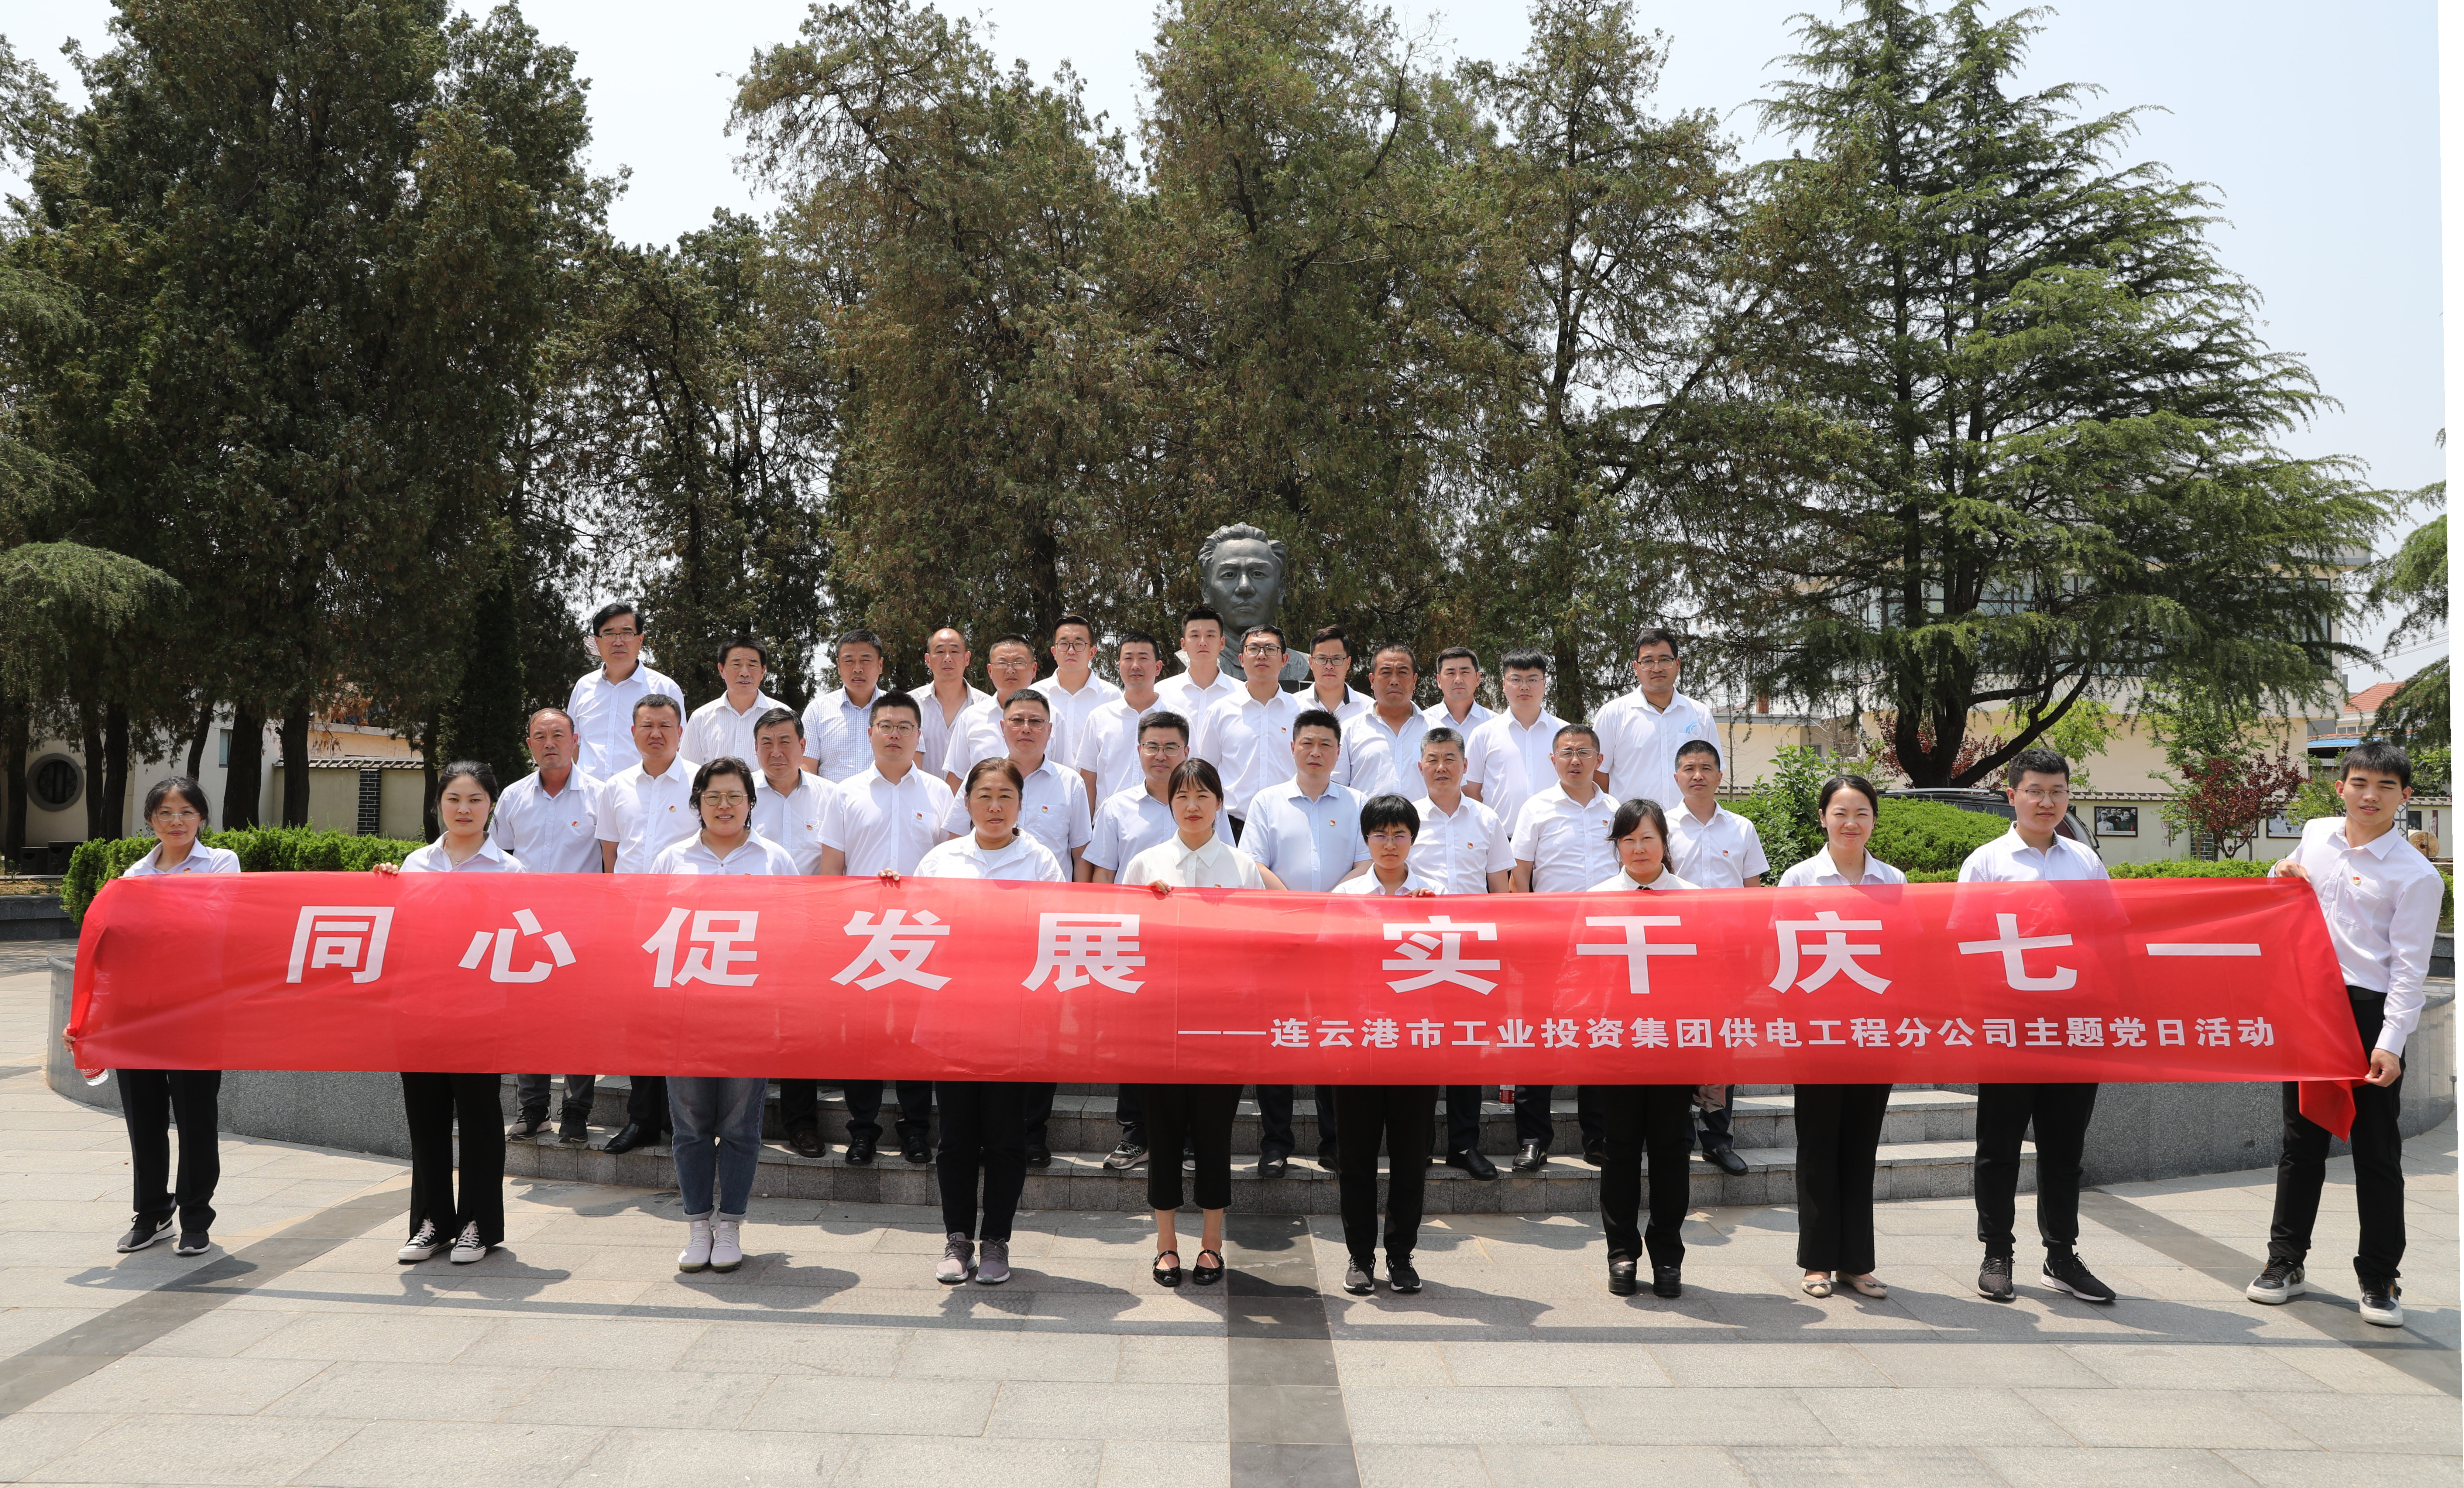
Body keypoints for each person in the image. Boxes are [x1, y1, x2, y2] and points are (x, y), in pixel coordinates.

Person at [2251, 741, 2439, 1328]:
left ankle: (2379, 1276)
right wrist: (2279, 871)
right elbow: (2279, 885)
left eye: (2385, 786)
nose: (2369, 795)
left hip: (2367, 1012)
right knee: (2299, 1139)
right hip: (2309, 1005)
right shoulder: (2315, 834)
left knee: (2375, 1149)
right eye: (2359, 782)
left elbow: (2409, 970)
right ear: (2340, 787)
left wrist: (2390, 1041)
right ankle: (2285, 1261)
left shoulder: (2415, 874)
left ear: (2405, 796)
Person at [1957, 747, 2118, 1306]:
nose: (2045, 802)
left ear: (2067, 796)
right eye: (2034, 791)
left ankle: (2061, 1255)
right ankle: (1996, 1252)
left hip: (2073, 1025)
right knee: (1998, 1146)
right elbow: (1962, 941)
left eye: (2056, 791)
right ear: (2012, 796)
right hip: (2008, 1024)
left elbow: (2109, 934)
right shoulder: (1986, 863)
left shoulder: (2085, 862)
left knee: (2063, 1148)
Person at [1122, 760, 1287, 1287]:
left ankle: (1212, 1244)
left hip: (1222, 1022)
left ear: (1219, 803)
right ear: (1169, 802)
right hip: (1159, 1020)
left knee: (1215, 1134)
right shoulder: (1144, 864)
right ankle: (1165, 1244)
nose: (1192, 806)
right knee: (1163, 1133)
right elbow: (1121, 940)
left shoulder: (1242, 868)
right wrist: (1149, 911)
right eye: (1182, 796)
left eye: (1203, 795)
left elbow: (1264, 938)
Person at [913, 758, 1067, 1285]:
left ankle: (997, 1240)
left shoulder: (1040, 861)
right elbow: (915, 927)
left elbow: (1054, 931)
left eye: (1006, 796)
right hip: (953, 1017)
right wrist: (889, 890)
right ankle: (957, 1238)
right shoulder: (940, 860)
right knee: (956, 1136)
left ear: (1022, 803)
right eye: (984, 795)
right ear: (967, 802)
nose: (995, 806)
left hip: (1013, 1019)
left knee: (1005, 1136)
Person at [646, 758, 797, 1274]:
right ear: (698, 803)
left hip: (749, 1013)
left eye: (735, 796)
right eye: (713, 796)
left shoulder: (774, 860)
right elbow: (649, 931)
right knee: (689, 1124)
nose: (724, 806)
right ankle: (697, 1224)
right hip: (685, 1013)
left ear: (751, 802)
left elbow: (797, 929)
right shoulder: (671, 860)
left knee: (739, 1123)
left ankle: (730, 1222)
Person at [375, 762, 520, 1265]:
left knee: (480, 1119)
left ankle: (479, 1224)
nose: (464, 809)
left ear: (491, 806)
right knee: (426, 1118)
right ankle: (432, 1222)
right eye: (454, 798)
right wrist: (382, 887)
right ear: (438, 803)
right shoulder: (414, 864)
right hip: (418, 1008)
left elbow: (522, 941)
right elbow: (393, 929)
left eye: (475, 799)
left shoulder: (510, 872)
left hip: (480, 1012)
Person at [938, 689, 1088, 1163]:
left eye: (1035, 721)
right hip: (962, 982)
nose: (995, 806)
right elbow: (928, 903)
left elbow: (1080, 856)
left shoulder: (1065, 793)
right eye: (1017, 720)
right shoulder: (945, 855)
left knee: (1031, 1054)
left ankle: (1032, 1134)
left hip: (1028, 966)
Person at [1080, 709, 1227, 1172]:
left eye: (1170, 747)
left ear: (1186, 751)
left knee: (1196, 1045)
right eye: (1152, 746)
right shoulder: (1116, 807)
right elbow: (1104, 877)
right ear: (1139, 751)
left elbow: (1226, 868)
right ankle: (1135, 1135)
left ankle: (1189, 1141)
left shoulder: (1209, 805)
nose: (1161, 755)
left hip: (1201, 958)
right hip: (1140, 951)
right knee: (1139, 1045)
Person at [1776, 774, 1904, 1300]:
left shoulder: (1892, 880)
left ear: (1873, 819)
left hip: (1874, 1032)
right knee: (1818, 1143)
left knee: (1860, 1145)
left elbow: (1904, 954)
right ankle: (1817, 1261)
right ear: (1822, 818)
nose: (1850, 823)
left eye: (1861, 813)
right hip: (1817, 1032)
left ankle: (1856, 1262)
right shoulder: (1799, 879)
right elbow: (1781, 955)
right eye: (1840, 813)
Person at [817, 692, 953, 1165]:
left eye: (904, 727)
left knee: (916, 1035)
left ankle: (915, 1129)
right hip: (863, 934)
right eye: (886, 726)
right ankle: (862, 1130)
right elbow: (831, 868)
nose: (894, 735)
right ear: (870, 732)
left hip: (922, 933)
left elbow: (951, 865)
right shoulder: (845, 792)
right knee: (864, 1036)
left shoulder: (939, 793)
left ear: (919, 736)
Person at [110, 776, 239, 1257]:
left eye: (186, 811)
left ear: (202, 817)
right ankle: (152, 1213)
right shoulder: (134, 875)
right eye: (165, 812)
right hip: (138, 1011)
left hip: (196, 1009)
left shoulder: (221, 863)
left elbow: (212, 923)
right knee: (143, 1115)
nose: (176, 821)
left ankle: (196, 1216)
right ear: (151, 821)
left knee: (195, 1114)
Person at [1586, 798, 1709, 1299]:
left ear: (1664, 841)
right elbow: (1580, 975)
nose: (1638, 849)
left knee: (1670, 1152)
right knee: (1618, 1151)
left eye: (1647, 838)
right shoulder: (1595, 899)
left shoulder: (1693, 899)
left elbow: (1710, 975)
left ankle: (1666, 1255)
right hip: (1616, 1043)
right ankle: (1621, 1253)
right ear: (1616, 845)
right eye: (1628, 840)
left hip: (1673, 1044)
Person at [1242, 708, 1370, 1175]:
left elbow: (1366, 863)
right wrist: (1297, 909)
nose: (1316, 752)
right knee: (1278, 1039)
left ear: (1338, 752)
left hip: (1338, 940)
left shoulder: (1357, 802)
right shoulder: (1266, 801)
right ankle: (1275, 1144)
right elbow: (1253, 863)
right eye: (1307, 743)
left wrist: (1327, 907)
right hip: (1280, 938)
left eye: (1325, 745)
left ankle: (1334, 1142)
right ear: (1292, 747)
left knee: (1333, 1038)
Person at [1327, 795, 1439, 1295]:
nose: (1389, 844)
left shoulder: (1436, 894)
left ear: (1412, 839)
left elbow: (1459, 966)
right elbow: (1328, 963)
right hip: (1358, 1042)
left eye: (1399, 834)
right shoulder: (1346, 895)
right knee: (1355, 1157)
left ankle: (1400, 1255)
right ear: (1366, 839)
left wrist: (1431, 921)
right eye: (1380, 834)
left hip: (1415, 1043)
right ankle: (1359, 1255)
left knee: (1410, 1157)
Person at [1504, 723, 1617, 1170]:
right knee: (1539, 1038)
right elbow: (1519, 875)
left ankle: (1598, 1136)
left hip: (1605, 943)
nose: (1575, 760)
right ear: (1552, 760)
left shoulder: (1618, 811)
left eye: (1584, 752)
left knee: (1599, 1037)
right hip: (1548, 941)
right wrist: (1528, 932)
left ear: (1598, 760)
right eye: (1566, 752)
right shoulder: (1535, 808)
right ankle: (1533, 1138)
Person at [595, 695, 702, 1154]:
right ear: (633, 732)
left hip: (687, 921)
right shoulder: (615, 786)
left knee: (683, 1023)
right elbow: (610, 855)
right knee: (641, 1023)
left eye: (665, 725)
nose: (655, 734)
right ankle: (642, 1120)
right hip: (633, 921)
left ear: (680, 732)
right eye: (646, 725)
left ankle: (686, 1120)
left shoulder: (702, 780)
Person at [494, 707, 604, 1146]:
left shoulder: (600, 795)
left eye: (558, 734)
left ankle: (576, 1111)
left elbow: (610, 862)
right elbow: (499, 859)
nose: (550, 743)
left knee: (580, 1021)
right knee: (530, 1021)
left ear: (576, 740)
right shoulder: (512, 797)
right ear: (529, 745)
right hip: (527, 928)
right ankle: (533, 1110)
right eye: (540, 736)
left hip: (581, 927)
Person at [1404, 727, 1507, 1180]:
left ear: (1465, 766)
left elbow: (1500, 889)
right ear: (1420, 766)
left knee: (1467, 1048)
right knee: (1423, 1045)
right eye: (1433, 759)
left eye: (1450, 759)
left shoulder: (1486, 819)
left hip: (1472, 952)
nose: (1441, 767)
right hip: (1419, 951)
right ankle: (1418, 1144)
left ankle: (1464, 1145)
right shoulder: (1407, 818)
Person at [1664, 739, 1767, 1177]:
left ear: (1720, 776)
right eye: (1689, 768)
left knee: (1720, 1044)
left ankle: (1717, 1138)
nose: (1697, 775)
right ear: (1676, 777)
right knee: (1676, 1040)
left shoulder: (1741, 828)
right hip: (1674, 953)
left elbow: (1753, 896)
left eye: (1706, 767)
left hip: (1725, 954)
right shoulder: (1662, 826)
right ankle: (1677, 1134)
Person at [749, 708, 844, 1158]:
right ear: (755, 749)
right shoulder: (739, 792)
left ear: (804, 746)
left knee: (799, 1030)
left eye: (785, 741)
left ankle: (801, 1124)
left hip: (810, 930)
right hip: (750, 928)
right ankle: (738, 1123)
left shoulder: (831, 796)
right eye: (766, 743)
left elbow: (839, 862)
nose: (776, 752)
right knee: (746, 1026)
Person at [1190, 625, 1304, 836]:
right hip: (1232, 828)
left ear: (1285, 660)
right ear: (1242, 659)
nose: (1262, 655)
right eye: (1254, 649)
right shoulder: (1220, 711)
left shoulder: (1302, 713)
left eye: (1270, 649)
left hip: (1290, 826)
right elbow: (1205, 772)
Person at [1594, 628, 1716, 810]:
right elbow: (1598, 773)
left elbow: (1712, 771)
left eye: (1665, 660)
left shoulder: (1700, 714)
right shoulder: (1613, 714)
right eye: (1648, 662)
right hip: (1631, 824)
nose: (1657, 668)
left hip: (1688, 823)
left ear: (1678, 664)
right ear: (1636, 668)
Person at [566, 601, 683, 779]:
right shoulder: (583, 687)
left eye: (627, 633)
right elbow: (575, 743)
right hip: (589, 793)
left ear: (640, 640)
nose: (618, 642)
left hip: (641, 792)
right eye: (609, 634)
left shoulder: (664, 688)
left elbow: (678, 746)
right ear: (597, 641)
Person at [946, 635, 1078, 788]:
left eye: (1019, 663)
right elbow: (956, 780)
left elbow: (1065, 778)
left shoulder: (1053, 717)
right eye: (1002, 663)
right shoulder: (971, 718)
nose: (1010, 670)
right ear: (990, 671)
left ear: (1034, 669)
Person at [1464, 647, 1564, 839]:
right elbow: (1471, 791)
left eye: (1533, 680)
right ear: (1504, 684)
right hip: (1501, 839)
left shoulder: (1564, 734)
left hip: (1555, 838)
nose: (1524, 687)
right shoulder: (1484, 734)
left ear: (1545, 684)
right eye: (1516, 680)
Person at [1075, 630, 1168, 808]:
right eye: (1128, 659)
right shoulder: (1099, 718)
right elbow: (1088, 781)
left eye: (1143, 658)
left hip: (1163, 819)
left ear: (1158, 667)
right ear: (1119, 666)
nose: (1135, 666)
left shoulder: (1177, 719)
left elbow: (1188, 776)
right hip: (1109, 821)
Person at [1304, 625, 1393, 799]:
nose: (1329, 666)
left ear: (1348, 663)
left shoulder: (1370, 709)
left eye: (1337, 659)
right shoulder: (1294, 707)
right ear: (1311, 662)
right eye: (1322, 659)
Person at [683, 635, 789, 768]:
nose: (745, 673)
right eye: (736, 665)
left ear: (763, 671)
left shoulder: (784, 716)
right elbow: (689, 771)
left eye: (752, 665)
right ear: (722, 670)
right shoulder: (701, 718)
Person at [802, 630, 890, 782]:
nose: (858, 669)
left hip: (886, 798)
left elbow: (911, 765)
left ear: (880, 665)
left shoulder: (898, 710)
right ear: (839, 666)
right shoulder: (817, 710)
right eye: (849, 661)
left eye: (866, 660)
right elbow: (807, 769)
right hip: (833, 798)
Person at [1040, 613, 1122, 755]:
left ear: (1092, 652)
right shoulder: (1036, 694)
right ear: (1054, 652)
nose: (1071, 651)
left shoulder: (1111, 697)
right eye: (1064, 644)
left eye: (1079, 644)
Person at [917, 626, 991, 778]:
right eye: (940, 652)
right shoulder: (910, 705)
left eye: (955, 651)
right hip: (923, 793)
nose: (947, 658)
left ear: (967, 658)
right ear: (928, 660)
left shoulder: (988, 707)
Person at [1152, 606, 1239, 724]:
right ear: (1183, 644)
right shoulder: (1162, 692)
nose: (1203, 643)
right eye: (1195, 636)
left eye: (1210, 636)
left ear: (1222, 643)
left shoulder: (1240, 693)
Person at [1424, 647, 1493, 734]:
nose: (1458, 680)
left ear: (1478, 678)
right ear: (1439, 681)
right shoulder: (1423, 723)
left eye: (1465, 672)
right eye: (1451, 673)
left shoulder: (1495, 724)